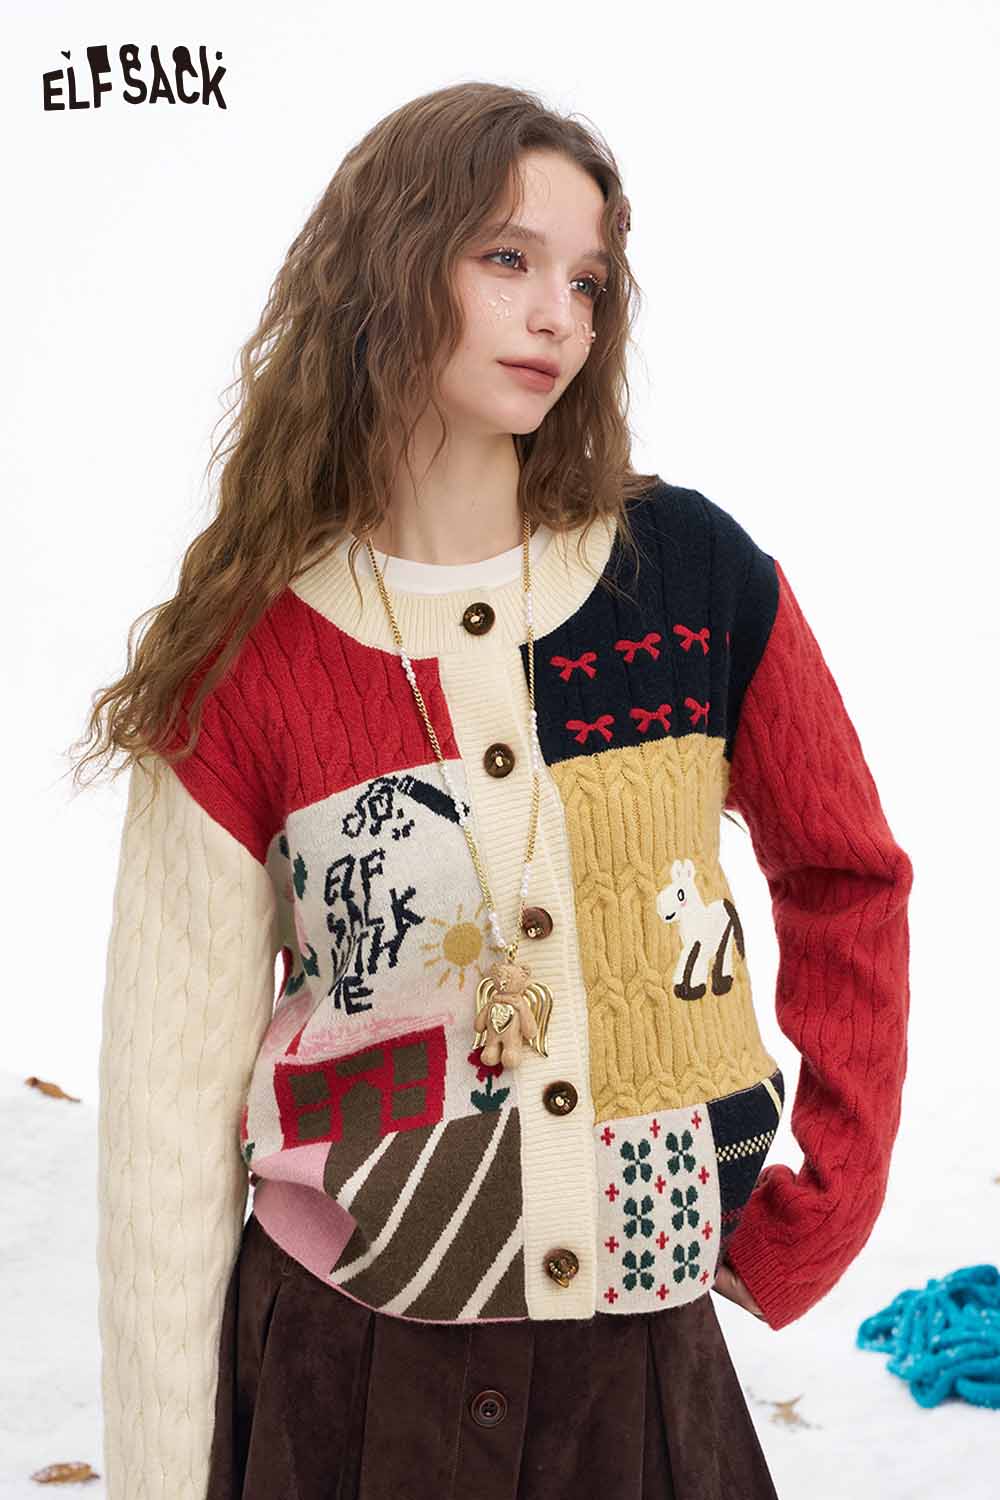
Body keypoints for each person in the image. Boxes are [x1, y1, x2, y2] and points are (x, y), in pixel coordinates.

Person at [76, 79, 913, 1500]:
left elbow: (850, 878)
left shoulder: (690, 578)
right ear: (389, 265)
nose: (557, 317)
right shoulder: (250, 660)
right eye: (508, 258)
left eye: (587, 281)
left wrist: (817, 1211)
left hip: (641, 1370)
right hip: (344, 1375)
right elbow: (165, 1122)